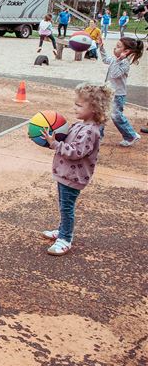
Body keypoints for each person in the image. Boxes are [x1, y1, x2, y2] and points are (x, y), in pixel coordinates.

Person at [40, 83, 112, 256]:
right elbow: (69, 144)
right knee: (63, 205)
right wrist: (54, 140)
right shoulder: (80, 125)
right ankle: (62, 229)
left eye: (79, 105)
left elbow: (76, 152)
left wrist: (55, 144)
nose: (75, 108)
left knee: (67, 207)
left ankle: (65, 238)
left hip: (74, 176)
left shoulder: (90, 131)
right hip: (66, 173)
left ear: (94, 108)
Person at [99, 37, 144, 147]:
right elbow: (105, 60)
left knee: (116, 116)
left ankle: (131, 136)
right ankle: (97, 136)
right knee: (101, 114)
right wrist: (101, 47)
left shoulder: (124, 63)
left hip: (117, 95)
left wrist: (118, 60)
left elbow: (114, 74)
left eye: (118, 47)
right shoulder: (116, 59)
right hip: (108, 93)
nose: (115, 48)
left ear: (126, 51)